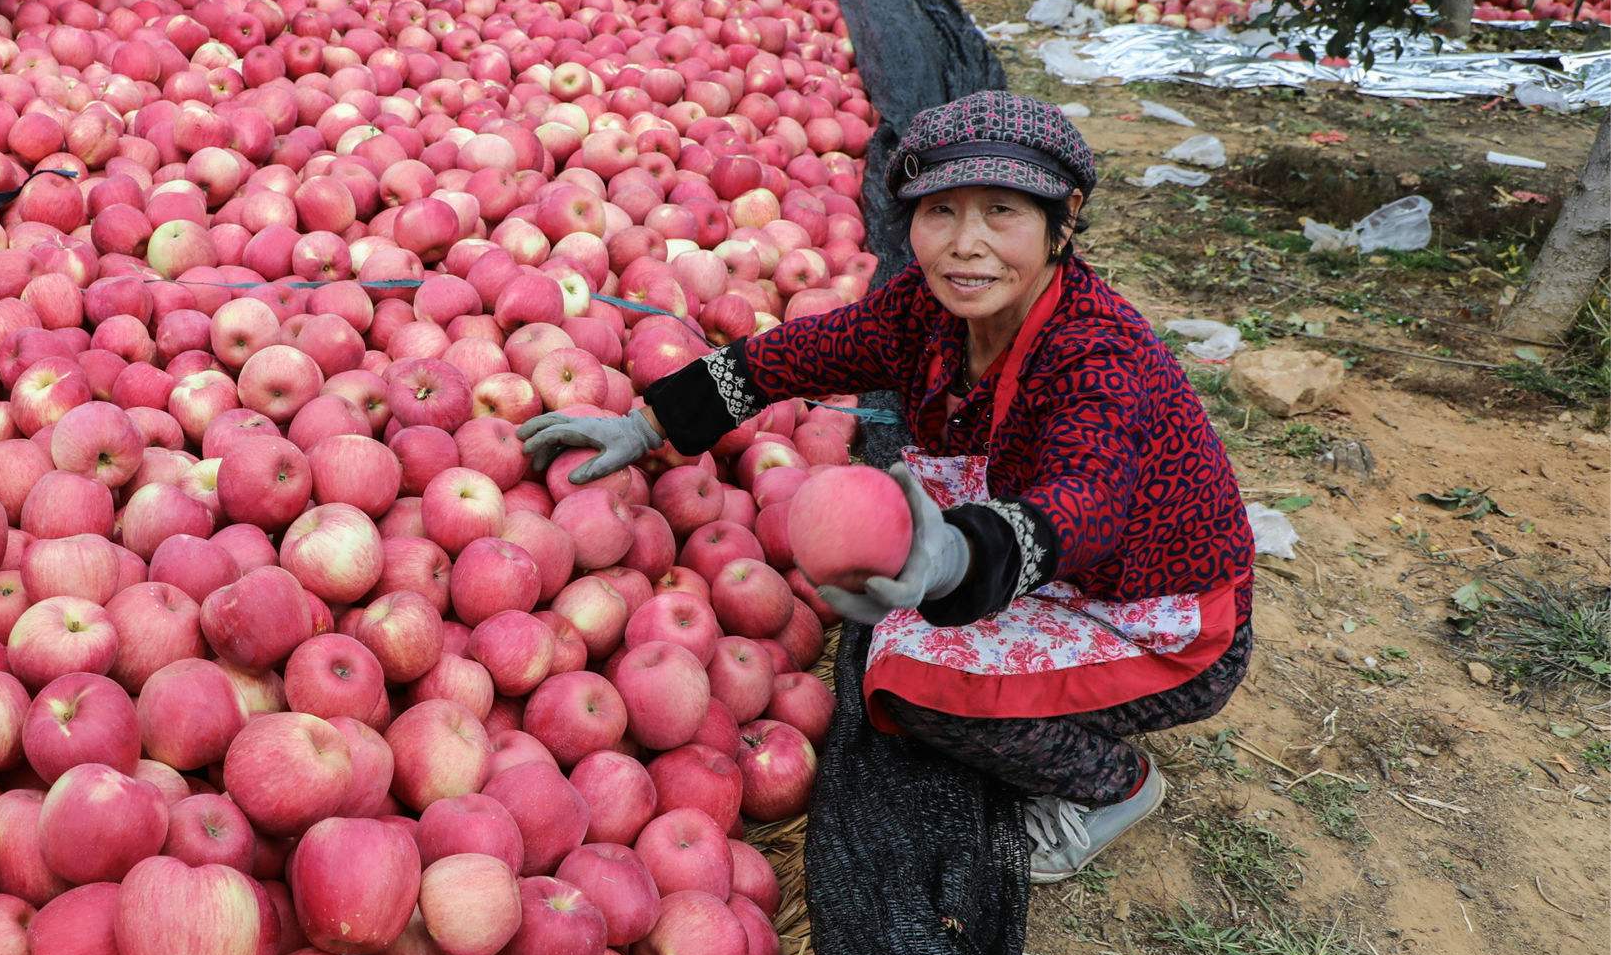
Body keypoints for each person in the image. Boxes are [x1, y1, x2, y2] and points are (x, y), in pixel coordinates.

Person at [520, 91, 1253, 882]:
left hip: (1157, 613)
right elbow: (795, 355)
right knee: (901, 623)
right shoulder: (926, 313)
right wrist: (650, 424)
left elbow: (1087, 502)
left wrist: (955, 560)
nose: (965, 245)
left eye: (1001, 211)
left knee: (915, 686)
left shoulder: (1097, 359)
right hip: (1051, 569)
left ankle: (1113, 785)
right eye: (940, 212)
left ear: (1063, 220)